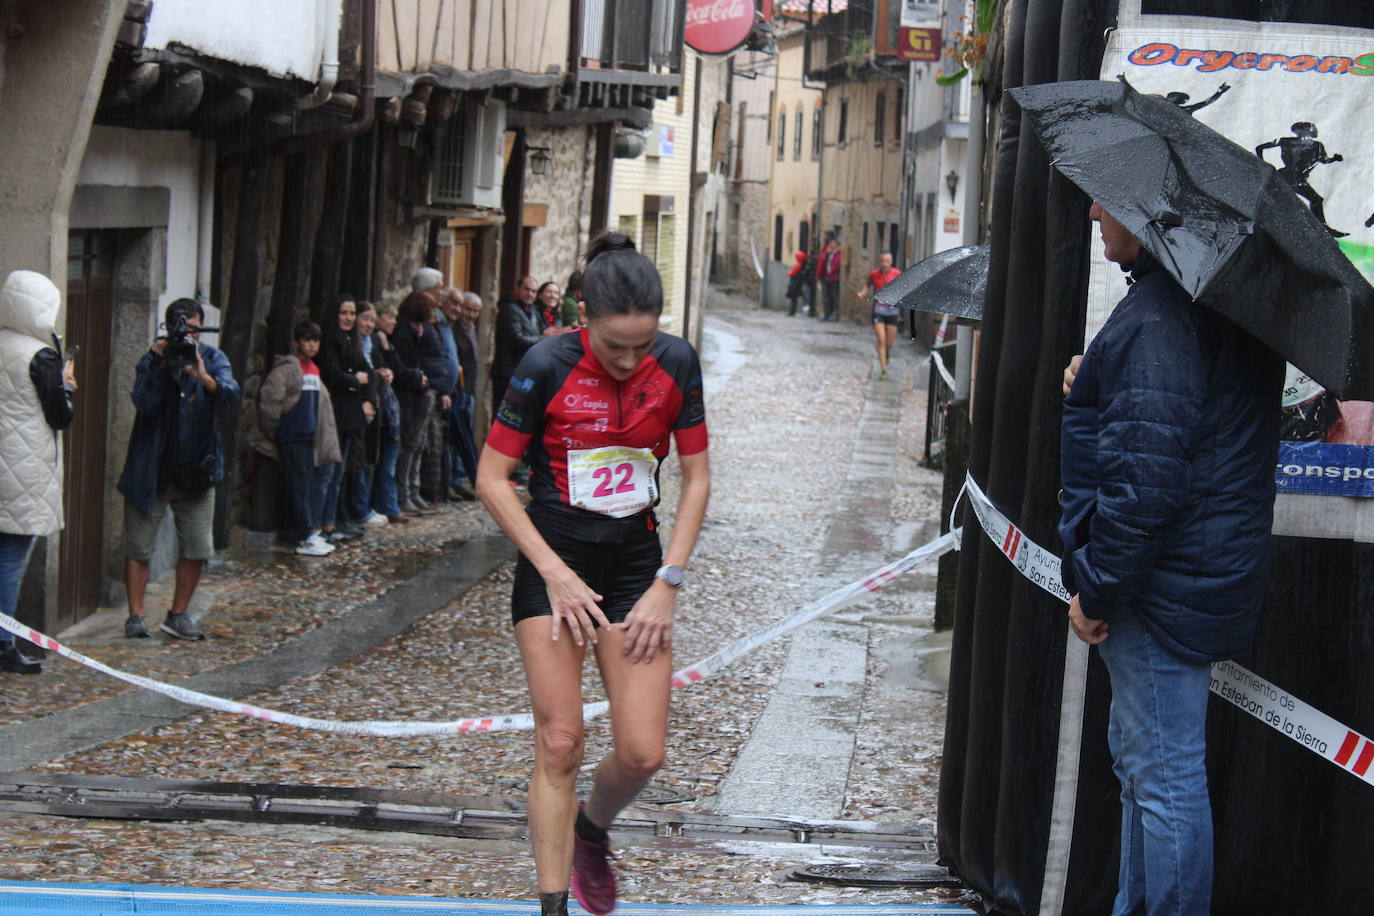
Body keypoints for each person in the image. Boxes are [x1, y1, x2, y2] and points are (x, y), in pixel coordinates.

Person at [476, 233, 710, 916]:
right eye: (615, 347)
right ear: (584, 318)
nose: (631, 359)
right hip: (556, 564)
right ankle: (553, 907)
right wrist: (552, 571)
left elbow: (696, 479)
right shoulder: (543, 364)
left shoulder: (676, 364)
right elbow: (491, 479)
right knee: (560, 742)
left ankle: (591, 831)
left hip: (638, 563)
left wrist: (669, 581)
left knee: (642, 754)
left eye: (644, 344)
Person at [1058, 201, 1283, 916]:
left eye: (1106, 201)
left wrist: (1097, 590)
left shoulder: (1160, 316)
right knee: (1146, 776)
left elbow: (1145, 485)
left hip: (1158, 589)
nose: (1094, 211)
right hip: (1186, 577)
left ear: (1146, 215)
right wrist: (1093, 378)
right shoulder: (1194, 310)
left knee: (1165, 781)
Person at [119, 297, 241, 640]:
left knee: (197, 547)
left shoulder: (214, 359)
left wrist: (203, 377)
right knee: (138, 545)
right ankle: (136, 617)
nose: (187, 336)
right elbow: (143, 403)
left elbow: (231, 396)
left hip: (196, 471)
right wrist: (159, 365)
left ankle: (178, 614)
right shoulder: (153, 359)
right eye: (181, 329)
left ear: (201, 328)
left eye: (193, 329)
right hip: (151, 470)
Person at [0, 271, 75, 674]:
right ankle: (4, 642)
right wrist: (66, 385)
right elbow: (60, 416)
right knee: (10, 559)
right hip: (21, 471)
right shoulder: (40, 356)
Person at [251, 320, 342, 556]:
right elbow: (270, 402)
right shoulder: (287, 369)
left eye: (315, 340)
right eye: (307, 340)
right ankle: (305, 535)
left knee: (308, 485)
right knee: (300, 486)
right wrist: (278, 431)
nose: (312, 345)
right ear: (298, 342)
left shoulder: (313, 369)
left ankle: (310, 531)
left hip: (308, 435)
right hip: (293, 435)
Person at [317, 296, 374, 544]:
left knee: (339, 473)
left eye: (352, 313)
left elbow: (368, 373)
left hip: (350, 415)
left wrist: (368, 399)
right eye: (344, 313)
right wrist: (354, 381)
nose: (349, 318)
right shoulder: (330, 341)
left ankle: (334, 520)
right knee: (328, 473)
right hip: (334, 414)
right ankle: (323, 524)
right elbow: (331, 373)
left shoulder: (354, 341)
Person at [391, 290, 445, 515]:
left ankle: (413, 492)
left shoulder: (419, 330)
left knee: (418, 445)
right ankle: (404, 495)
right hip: (410, 395)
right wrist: (419, 379)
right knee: (409, 444)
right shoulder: (404, 332)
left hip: (421, 392)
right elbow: (402, 365)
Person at [344, 303, 390, 526]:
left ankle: (364, 506)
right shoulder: (353, 345)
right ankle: (357, 509)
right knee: (355, 458)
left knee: (368, 456)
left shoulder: (372, 343)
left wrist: (383, 374)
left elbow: (374, 372)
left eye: (372, 320)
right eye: (365, 318)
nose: (368, 324)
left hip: (371, 404)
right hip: (356, 406)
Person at [370, 304, 409, 524]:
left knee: (388, 459)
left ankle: (387, 503)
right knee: (385, 461)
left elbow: (397, 367)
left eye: (394, 318)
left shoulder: (387, 342)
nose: (393, 322)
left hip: (390, 411)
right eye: (388, 317)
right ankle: (386, 504)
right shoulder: (376, 342)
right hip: (382, 410)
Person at [493, 275, 546, 421]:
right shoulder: (509, 309)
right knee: (504, 415)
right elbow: (517, 339)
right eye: (527, 290)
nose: (530, 294)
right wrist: (543, 338)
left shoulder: (533, 311)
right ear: (518, 289)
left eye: (534, 291)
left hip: (523, 371)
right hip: (508, 372)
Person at [446, 290, 482, 500]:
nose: (471, 314)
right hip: (458, 391)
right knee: (455, 438)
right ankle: (454, 481)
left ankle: (460, 479)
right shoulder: (455, 329)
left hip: (469, 391)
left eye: (476, 311)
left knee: (464, 436)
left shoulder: (471, 328)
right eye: (468, 309)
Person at [857, 251, 902, 379]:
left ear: (891, 262)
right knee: (881, 340)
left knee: (889, 343)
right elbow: (867, 285)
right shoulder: (874, 274)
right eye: (882, 261)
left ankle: (886, 354)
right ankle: (883, 370)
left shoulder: (897, 274)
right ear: (879, 262)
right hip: (879, 310)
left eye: (887, 261)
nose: (885, 264)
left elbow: (903, 288)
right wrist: (863, 293)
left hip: (893, 311)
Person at [815, 231, 842, 321]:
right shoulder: (827, 252)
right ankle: (827, 314)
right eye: (830, 243)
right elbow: (823, 262)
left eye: (832, 243)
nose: (831, 245)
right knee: (826, 296)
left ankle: (834, 314)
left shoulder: (838, 254)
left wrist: (830, 273)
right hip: (826, 277)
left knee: (834, 297)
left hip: (834, 278)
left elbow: (836, 265)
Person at [785, 249, 809, 317]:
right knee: (794, 299)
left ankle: (792, 312)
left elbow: (792, 273)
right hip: (798, 284)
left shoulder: (798, 265)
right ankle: (792, 312)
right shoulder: (802, 265)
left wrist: (789, 272)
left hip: (794, 284)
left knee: (793, 299)